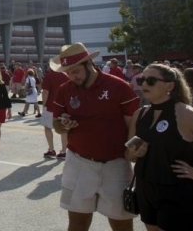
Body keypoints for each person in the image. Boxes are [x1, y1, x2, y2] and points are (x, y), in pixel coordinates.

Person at [51, 43, 139, 231]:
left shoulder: (119, 87)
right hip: (78, 163)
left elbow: (133, 124)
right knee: (77, 224)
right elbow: (57, 126)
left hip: (116, 164)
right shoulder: (64, 90)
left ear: (89, 63)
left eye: (75, 71)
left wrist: (132, 153)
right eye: (68, 73)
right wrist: (63, 123)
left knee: (122, 223)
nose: (73, 77)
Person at [125, 64, 193, 231]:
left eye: (151, 80)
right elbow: (129, 156)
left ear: (170, 86)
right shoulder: (140, 114)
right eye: (142, 80)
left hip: (177, 192)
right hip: (145, 188)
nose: (144, 84)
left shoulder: (184, 113)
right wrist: (134, 153)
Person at [39, 62, 69, 159]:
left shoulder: (49, 76)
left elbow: (45, 92)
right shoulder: (66, 76)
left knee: (48, 127)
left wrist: (44, 104)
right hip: (63, 107)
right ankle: (64, 151)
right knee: (63, 129)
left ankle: (51, 149)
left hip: (51, 106)